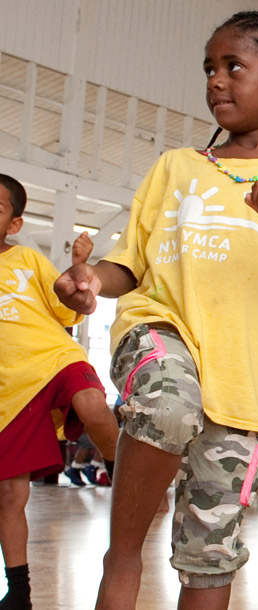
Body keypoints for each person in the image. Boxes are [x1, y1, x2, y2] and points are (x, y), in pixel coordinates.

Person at [54, 12, 258, 609]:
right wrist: (92, 279)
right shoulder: (177, 168)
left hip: (240, 388)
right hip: (158, 331)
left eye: (233, 67)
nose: (216, 80)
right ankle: (122, 552)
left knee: (210, 560)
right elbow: (130, 265)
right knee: (169, 405)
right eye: (209, 68)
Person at [0, 176, 120, 610]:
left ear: (14, 224)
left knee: (93, 405)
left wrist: (78, 271)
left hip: (54, 359)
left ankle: (125, 479)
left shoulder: (27, 259)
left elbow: (69, 309)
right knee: (10, 495)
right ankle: (19, 592)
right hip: (10, 392)